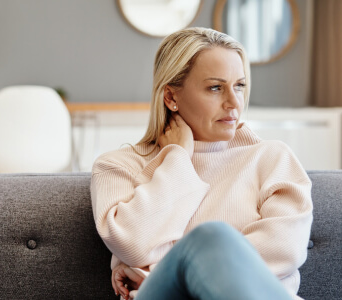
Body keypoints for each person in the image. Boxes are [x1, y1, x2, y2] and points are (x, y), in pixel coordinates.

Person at [90, 27, 312, 300]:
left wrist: (160, 269)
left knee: (212, 239)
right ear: (171, 97)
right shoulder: (118, 167)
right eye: (216, 88)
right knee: (212, 237)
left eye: (239, 86)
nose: (234, 103)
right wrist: (178, 156)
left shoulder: (272, 159)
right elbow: (134, 244)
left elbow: (284, 249)